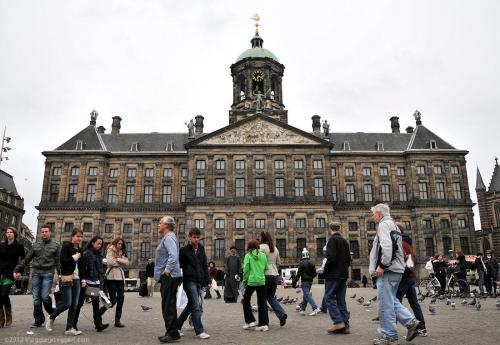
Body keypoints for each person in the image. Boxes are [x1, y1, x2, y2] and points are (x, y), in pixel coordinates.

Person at [368, 204, 420, 345]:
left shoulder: (384, 225)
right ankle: (411, 322)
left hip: (388, 269)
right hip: (396, 269)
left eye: (373, 214)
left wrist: (382, 265)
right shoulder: (394, 225)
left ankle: (390, 336)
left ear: (379, 214)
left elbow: (387, 247)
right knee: (389, 300)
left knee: (385, 304)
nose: (373, 217)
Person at [14, 224, 60, 328]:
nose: (44, 233)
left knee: (44, 297)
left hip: (48, 273)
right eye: (42, 232)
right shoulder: (36, 245)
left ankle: (52, 312)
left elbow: (58, 262)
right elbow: (27, 259)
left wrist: (60, 275)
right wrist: (17, 269)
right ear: (41, 233)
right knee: (36, 299)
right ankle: (38, 320)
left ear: (50, 232)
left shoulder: (56, 245)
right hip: (36, 273)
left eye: (46, 231)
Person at [46, 229, 83, 335]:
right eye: (77, 236)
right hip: (67, 277)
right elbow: (62, 261)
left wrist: (83, 278)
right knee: (67, 303)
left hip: (77, 279)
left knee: (74, 305)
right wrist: (74, 258)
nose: (79, 238)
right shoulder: (66, 247)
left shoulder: (80, 249)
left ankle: (69, 328)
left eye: (81, 237)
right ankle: (52, 316)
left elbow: (81, 266)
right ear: (72, 236)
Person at [177, 227, 211, 339]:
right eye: (194, 237)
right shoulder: (183, 250)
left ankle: (176, 326)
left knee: (191, 306)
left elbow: (204, 266)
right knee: (196, 305)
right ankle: (199, 330)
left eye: (198, 237)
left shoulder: (201, 249)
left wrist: (208, 280)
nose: (196, 239)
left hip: (199, 280)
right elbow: (179, 265)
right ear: (189, 237)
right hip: (189, 280)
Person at [395, 226, 427, 337]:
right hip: (410, 275)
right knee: (414, 304)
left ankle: (391, 331)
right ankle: (422, 329)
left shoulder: (401, 242)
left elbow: (400, 259)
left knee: (394, 302)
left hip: (404, 276)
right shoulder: (408, 241)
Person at [155, 216, 182, 343]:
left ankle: (172, 333)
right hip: (170, 276)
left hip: (169, 276)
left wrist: (166, 271)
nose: (158, 225)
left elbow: (173, 256)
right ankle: (172, 331)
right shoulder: (168, 237)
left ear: (166, 225)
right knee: (168, 304)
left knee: (168, 305)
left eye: (160, 223)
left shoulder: (169, 238)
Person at [74, 236, 109, 332]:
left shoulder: (99, 255)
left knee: (95, 304)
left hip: (95, 281)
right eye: (98, 243)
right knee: (79, 303)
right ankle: (73, 324)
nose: (100, 245)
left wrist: (104, 265)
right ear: (92, 243)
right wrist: (83, 279)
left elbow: (100, 270)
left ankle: (98, 324)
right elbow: (83, 268)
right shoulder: (87, 253)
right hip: (86, 282)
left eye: (101, 244)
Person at [324, 222, 351, 334]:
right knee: (341, 301)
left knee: (329, 298)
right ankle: (346, 326)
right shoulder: (345, 241)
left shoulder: (332, 240)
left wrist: (326, 270)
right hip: (343, 274)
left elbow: (331, 258)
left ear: (330, 229)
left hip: (333, 274)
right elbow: (349, 259)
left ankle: (338, 322)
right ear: (339, 229)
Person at [259, 231, 287, 327]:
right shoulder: (275, 248)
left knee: (262, 298)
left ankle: (264, 321)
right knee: (271, 297)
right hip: (275, 275)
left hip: (265, 274)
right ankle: (282, 314)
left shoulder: (261, 247)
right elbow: (279, 263)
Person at [0, 226, 25, 327]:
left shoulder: (19, 246)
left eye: (11, 232)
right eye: (7, 232)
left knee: (3, 295)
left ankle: (9, 315)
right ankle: (1, 319)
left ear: (14, 234)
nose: (9, 234)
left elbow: (23, 260)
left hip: (11, 273)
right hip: (0, 272)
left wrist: (19, 271)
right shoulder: (1, 245)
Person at [242, 239, 269, 331]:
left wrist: (245, 281)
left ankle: (250, 321)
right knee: (262, 302)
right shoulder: (263, 255)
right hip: (261, 281)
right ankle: (263, 324)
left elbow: (245, 270)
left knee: (246, 300)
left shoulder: (248, 255)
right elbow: (266, 268)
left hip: (252, 281)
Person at [101, 237, 129, 328]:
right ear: (115, 243)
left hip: (120, 277)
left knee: (121, 298)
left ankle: (117, 321)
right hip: (111, 277)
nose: (120, 245)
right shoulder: (110, 249)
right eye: (118, 243)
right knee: (113, 300)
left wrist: (118, 259)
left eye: (121, 244)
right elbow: (109, 262)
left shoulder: (123, 252)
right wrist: (120, 261)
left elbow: (127, 262)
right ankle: (99, 312)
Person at [294, 248, 319, 316]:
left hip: (304, 281)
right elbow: (315, 274)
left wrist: (294, 282)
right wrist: (311, 277)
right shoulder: (311, 262)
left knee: (307, 295)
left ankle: (315, 308)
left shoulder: (301, 263)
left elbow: (298, 274)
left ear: (302, 255)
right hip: (310, 281)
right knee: (306, 295)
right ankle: (302, 309)